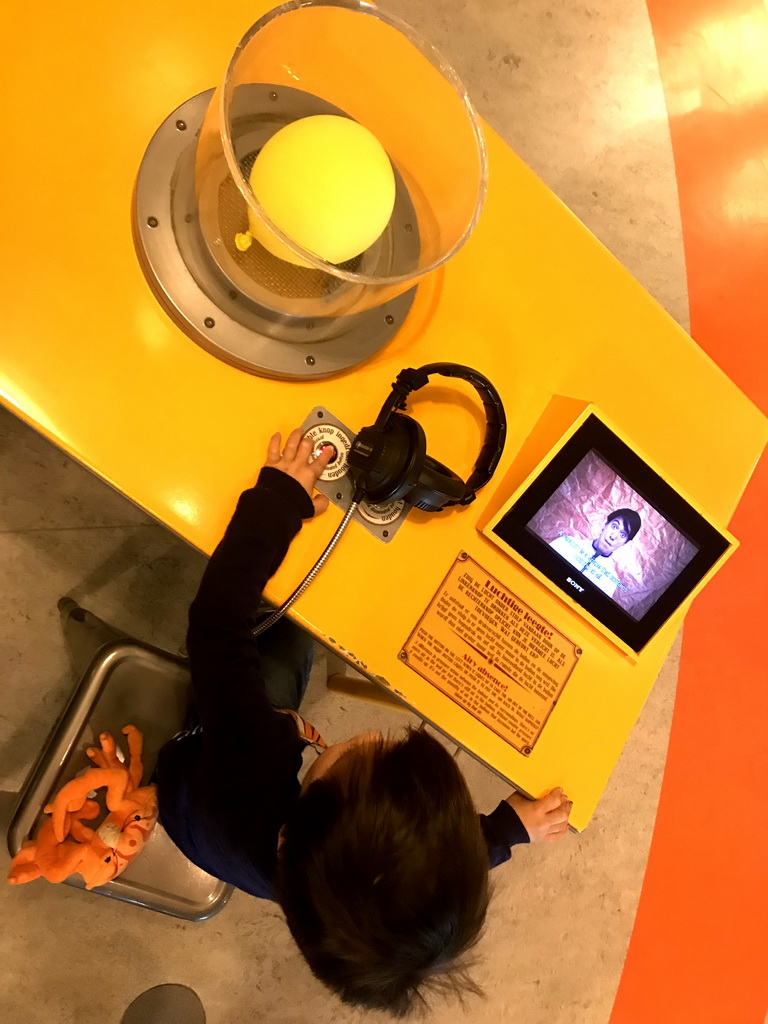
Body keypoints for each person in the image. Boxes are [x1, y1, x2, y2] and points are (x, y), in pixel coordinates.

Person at [156, 428, 572, 1017]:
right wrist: (508, 830)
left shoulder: (249, 763)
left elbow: (216, 622)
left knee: (289, 632)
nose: (372, 736)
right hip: (228, 840)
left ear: (287, 835)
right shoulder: (328, 898)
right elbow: (435, 869)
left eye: (358, 756)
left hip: (195, 776)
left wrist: (280, 500)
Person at [549, 508, 641, 598]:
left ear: (625, 543)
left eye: (622, 535)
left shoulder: (610, 582)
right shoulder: (565, 543)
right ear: (605, 525)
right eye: (614, 526)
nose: (613, 536)